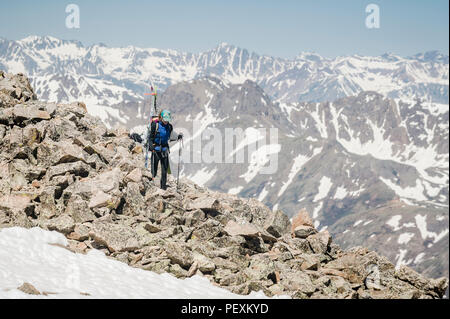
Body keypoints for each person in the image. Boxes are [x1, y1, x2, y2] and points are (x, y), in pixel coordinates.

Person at [148, 109, 182, 190]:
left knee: (164, 170)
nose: (166, 122)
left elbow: (170, 136)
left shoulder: (169, 127)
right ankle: (150, 186)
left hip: (164, 150)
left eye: (167, 120)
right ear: (161, 117)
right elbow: (150, 138)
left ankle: (163, 188)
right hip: (155, 150)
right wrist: (151, 146)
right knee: (154, 170)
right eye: (165, 120)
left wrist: (178, 137)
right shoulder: (155, 125)